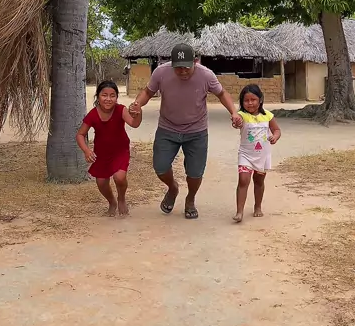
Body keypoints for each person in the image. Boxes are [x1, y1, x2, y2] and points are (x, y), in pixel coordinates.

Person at [128, 43, 243, 219]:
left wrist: (234, 112)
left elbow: (222, 94)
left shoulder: (206, 75)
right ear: (171, 63)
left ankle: (190, 198)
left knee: (195, 173)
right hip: (167, 127)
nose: (182, 71)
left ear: (195, 62)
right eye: (178, 67)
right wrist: (137, 104)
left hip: (196, 130)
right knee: (160, 167)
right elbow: (148, 92)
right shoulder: (161, 72)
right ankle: (172, 188)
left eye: (186, 67)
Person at [76, 80, 142, 217]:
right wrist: (86, 150)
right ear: (98, 97)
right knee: (101, 183)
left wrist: (138, 114)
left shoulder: (121, 110)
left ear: (117, 97)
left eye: (112, 95)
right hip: (101, 153)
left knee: (120, 177)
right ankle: (112, 202)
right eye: (104, 95)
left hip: (120, 150)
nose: (108, 99)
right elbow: (80, 135)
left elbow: (134, 124)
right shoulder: (93, 114)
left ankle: (121, 198)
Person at [233, 84, 281, 223]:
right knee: (243, 180)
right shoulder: (242, 115)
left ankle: (257, 206)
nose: (250, 103)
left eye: (253, 99)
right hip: (245, 155)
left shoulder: (268, 115)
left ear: (260, 100)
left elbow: (277, 130)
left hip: (262, 156)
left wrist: (275, 137)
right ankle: (239, 212)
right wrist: (236, 122)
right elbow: (237, 123)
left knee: (259, 182)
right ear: (242, 102)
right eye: (246, 100)